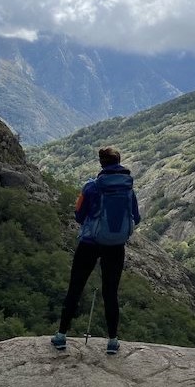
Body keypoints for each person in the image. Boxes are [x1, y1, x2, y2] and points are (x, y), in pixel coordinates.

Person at [51, 146, 141, 354]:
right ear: (119, 162)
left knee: (76, 287)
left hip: (90, 244)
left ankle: (61, 336)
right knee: (110, 293)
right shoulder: (128, 189)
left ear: (101, 163)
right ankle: (112, 342)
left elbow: (79, 215)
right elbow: (136, 217)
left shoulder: (91, 187)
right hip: (116, 246)